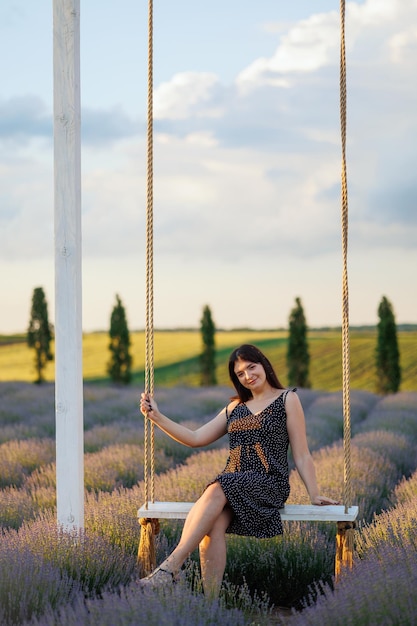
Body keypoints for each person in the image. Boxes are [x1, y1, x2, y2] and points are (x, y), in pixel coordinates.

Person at [139, 344, 338, 596]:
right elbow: (195, 437)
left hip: (268, 483)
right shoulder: (234, 407)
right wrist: (156, 417)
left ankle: (170, 568)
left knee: (218, 486)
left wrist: (314, 493)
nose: (247, 376)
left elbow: (301, 453)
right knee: (212, 528)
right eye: (240, 373)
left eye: (251, 367)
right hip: (232, 485)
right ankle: (209, 605)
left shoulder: (287, 398)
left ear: (263, 364)